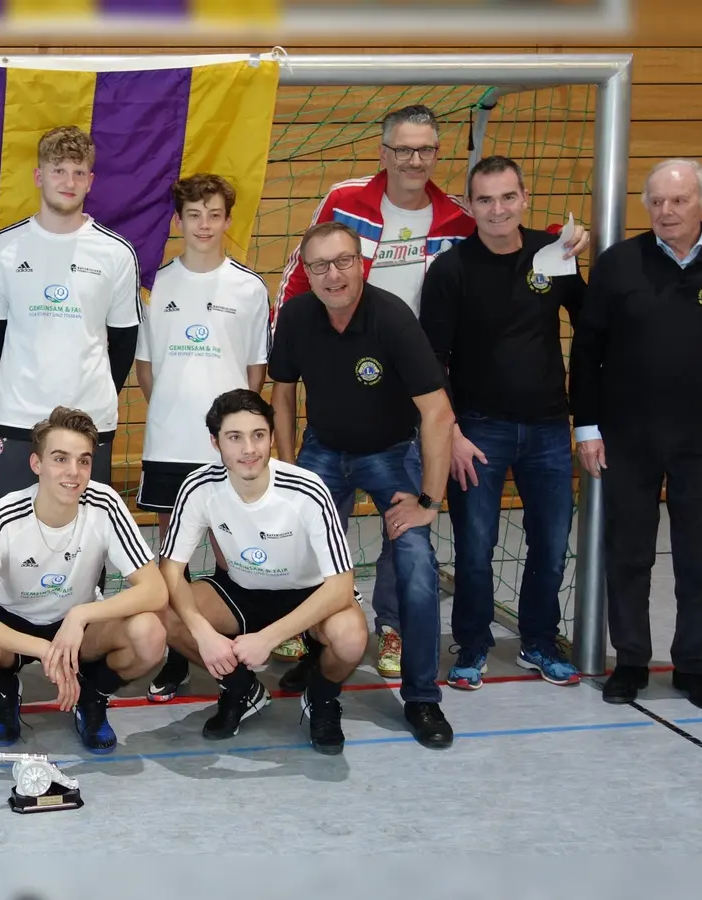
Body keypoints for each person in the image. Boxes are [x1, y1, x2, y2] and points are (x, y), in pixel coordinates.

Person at [275, 105, 588, 679]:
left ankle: (392, 627)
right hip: (338, 395)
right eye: (402, 149)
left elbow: (506, 251)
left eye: (425, 150)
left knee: (406, 522)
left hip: (416, 401)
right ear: (383, 151)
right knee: (310, 521)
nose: (413, 161)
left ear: (437, 155)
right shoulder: (345, 201)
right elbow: (300, 280)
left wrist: (559, 248)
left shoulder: (457, 218)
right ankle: (304, 621)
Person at [571, 158, 702, 712]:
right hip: (626, 441)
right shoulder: (620, 264)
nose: (666, 211)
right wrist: (586, 427)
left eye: (678, 200)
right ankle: (631, 661)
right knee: (629, 556)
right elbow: (586, 353)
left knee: (698, 560)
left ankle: (694, 666)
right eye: (656, 201)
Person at [268, 221, 457, 749]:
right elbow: (282, 396)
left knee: (417, 565)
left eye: (343, 261)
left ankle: (422, 698)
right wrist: (289, 473)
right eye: (320, 266)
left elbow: (437, 414)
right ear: (307, 273)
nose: (333, 275)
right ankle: (318, 661)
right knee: (297, 554)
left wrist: (429, 502)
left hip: (390, 454)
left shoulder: (392, 318)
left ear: (361, 264)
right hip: (323, 451)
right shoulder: (300, 316)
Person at [419, 156, 584, 691]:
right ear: (469, 206)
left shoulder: (554, 254)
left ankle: (538, 640)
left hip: (548, 430)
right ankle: (471, 644)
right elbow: (431, 361)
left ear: (524, 197)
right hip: (478, 431)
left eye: (507, 197)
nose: (497, 210)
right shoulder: (450, 269)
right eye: (485, 200)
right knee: (474, 546)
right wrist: (454, 435)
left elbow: (593, 322)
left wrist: (584, 252)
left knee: (552, 542)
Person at [0, 406, 167, 754]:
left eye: (83, 461)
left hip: (75, 621)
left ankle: (92, 696)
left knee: (150, 634)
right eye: (60, 459)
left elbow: (155, 590)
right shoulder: (3, 514)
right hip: (12, 621)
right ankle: (2, 692)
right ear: (37, 464)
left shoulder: (105, 503)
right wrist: (46, 650)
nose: (73, 472)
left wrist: (81, 616)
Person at [157, 390, 365, 752]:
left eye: (258, 435)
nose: (248, 449)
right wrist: (203, 633)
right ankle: (242, 689)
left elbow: (342, 587)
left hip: (309, 593)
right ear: (215, 442)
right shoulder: (199, 487)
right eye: (234, 437)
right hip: (242, 591)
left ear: (271, 436)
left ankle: (322, 697)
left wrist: (268, 638)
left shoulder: (307, 490)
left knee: (349, 637)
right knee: (162, 613)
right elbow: (171, 571)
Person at [133, 173, 271, 703]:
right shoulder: (158, 285)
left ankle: (245, 642)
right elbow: (147, 369)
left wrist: (232, 432)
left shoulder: (248, 288)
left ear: (228, 219)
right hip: (169, 444)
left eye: (215, 214)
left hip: (227, 450)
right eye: (195, 215)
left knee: (233, 549)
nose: (205, 224)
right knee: (175, 558)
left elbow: (256, 371)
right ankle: (179, 657)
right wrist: (175, 409)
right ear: (179, 220)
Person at [0, 125, 141, 508]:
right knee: (4, 542)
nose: (69, 181)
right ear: (39, 176)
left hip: (90, 421)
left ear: (90, 180)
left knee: (87, 544)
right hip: (17, 418)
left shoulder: (116, 253)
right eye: (58, 170)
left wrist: (86, 399)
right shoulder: (1, 249)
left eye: (78, 172)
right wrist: (21, 389)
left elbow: (124, 343)